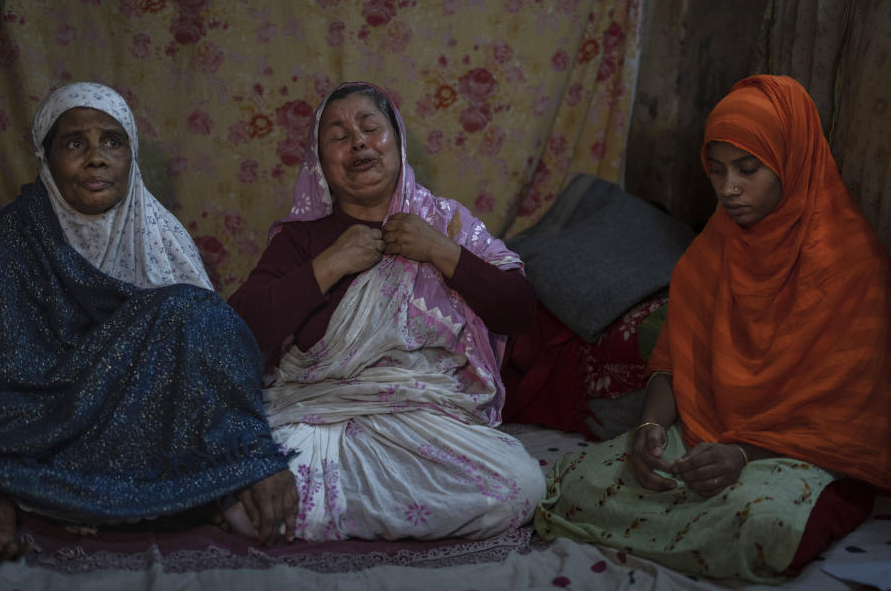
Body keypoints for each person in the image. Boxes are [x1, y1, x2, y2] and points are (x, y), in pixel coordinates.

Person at [534, 75, 891, 583]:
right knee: (574, 482)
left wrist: (743, 453)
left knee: (760, 522)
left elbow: (846, 417)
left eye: (748, 170)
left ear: (793, 161)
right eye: (717, 170)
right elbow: (672, 365)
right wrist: (650, 429)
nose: (729, 189)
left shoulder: (855, 267)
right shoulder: (711, 253)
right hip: (702, 437)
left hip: (801, 455)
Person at [0, 82, 297, 563]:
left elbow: (210, 357)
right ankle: (10, 491)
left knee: (195, 312)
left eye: (112, 141)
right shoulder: (8, 244)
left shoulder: (160, 236)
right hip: (37, 432)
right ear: (46, 159)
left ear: (131, 156)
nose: (96, 158)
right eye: (75, 143)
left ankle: (50, 496)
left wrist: (252, 453)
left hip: (129, 430)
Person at [228, 81, 545, 541]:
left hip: (427, 422)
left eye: (370, 127)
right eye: (338, 135)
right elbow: (239, 328)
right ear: (322, 163)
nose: (357, 141)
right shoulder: (302, 240)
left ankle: (325, 512)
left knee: (522, 487)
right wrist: (330, 263)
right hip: (322, 418)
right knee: (243, 493)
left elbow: (518, 312)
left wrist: (440, 250)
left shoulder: (447, 223)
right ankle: (380, 509)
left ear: (396, 141)